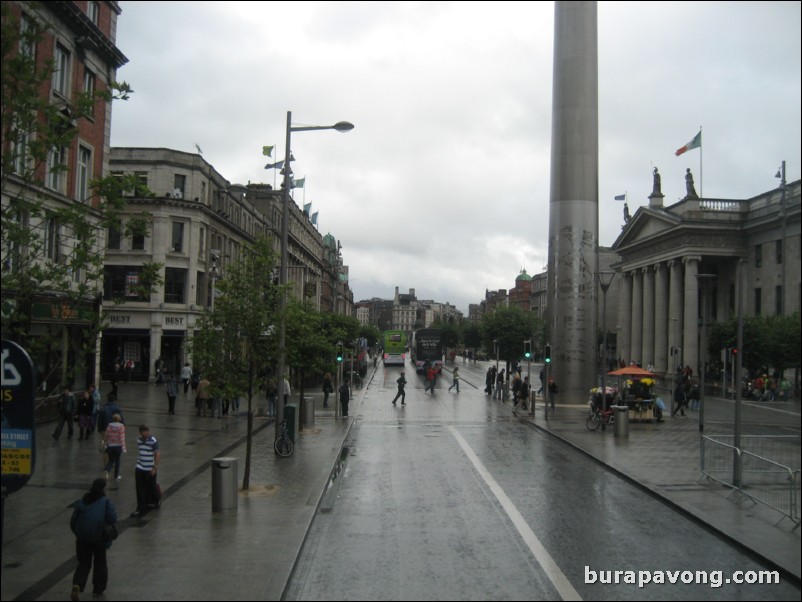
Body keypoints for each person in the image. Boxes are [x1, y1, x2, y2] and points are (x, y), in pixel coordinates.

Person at [70, 478, 118, 601]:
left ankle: (77, 584)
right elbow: (112, 518)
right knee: (100, 563)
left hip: (82, 538)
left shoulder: (83, 501)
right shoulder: (105, 502)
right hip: (99, 538)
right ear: (103, 489)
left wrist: (78, 533)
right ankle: (98, 589)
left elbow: (73, 520)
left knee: (84, 563)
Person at [131, 424, 161, 518]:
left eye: (146, 432)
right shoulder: (139, 440)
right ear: (140, 433)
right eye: (143, 433)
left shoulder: (153, 441)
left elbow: (157, 454)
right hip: (140, 467)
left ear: (148, 432)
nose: (145, 434)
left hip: (150, 468)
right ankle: (140, 508)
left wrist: (154, 467)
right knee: (139, 488)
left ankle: (157, 499)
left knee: (151, 487)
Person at [102, 413, 126, 481]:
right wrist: (123, 448)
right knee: (117, 461)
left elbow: (106, 435)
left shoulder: (109, 426)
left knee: (111, 460)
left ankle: (107, 470)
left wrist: (105, 442)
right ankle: (116, 476)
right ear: (119, 419)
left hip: (110, 446)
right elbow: (122, 438)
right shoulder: (121, 427)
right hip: (118, 446)